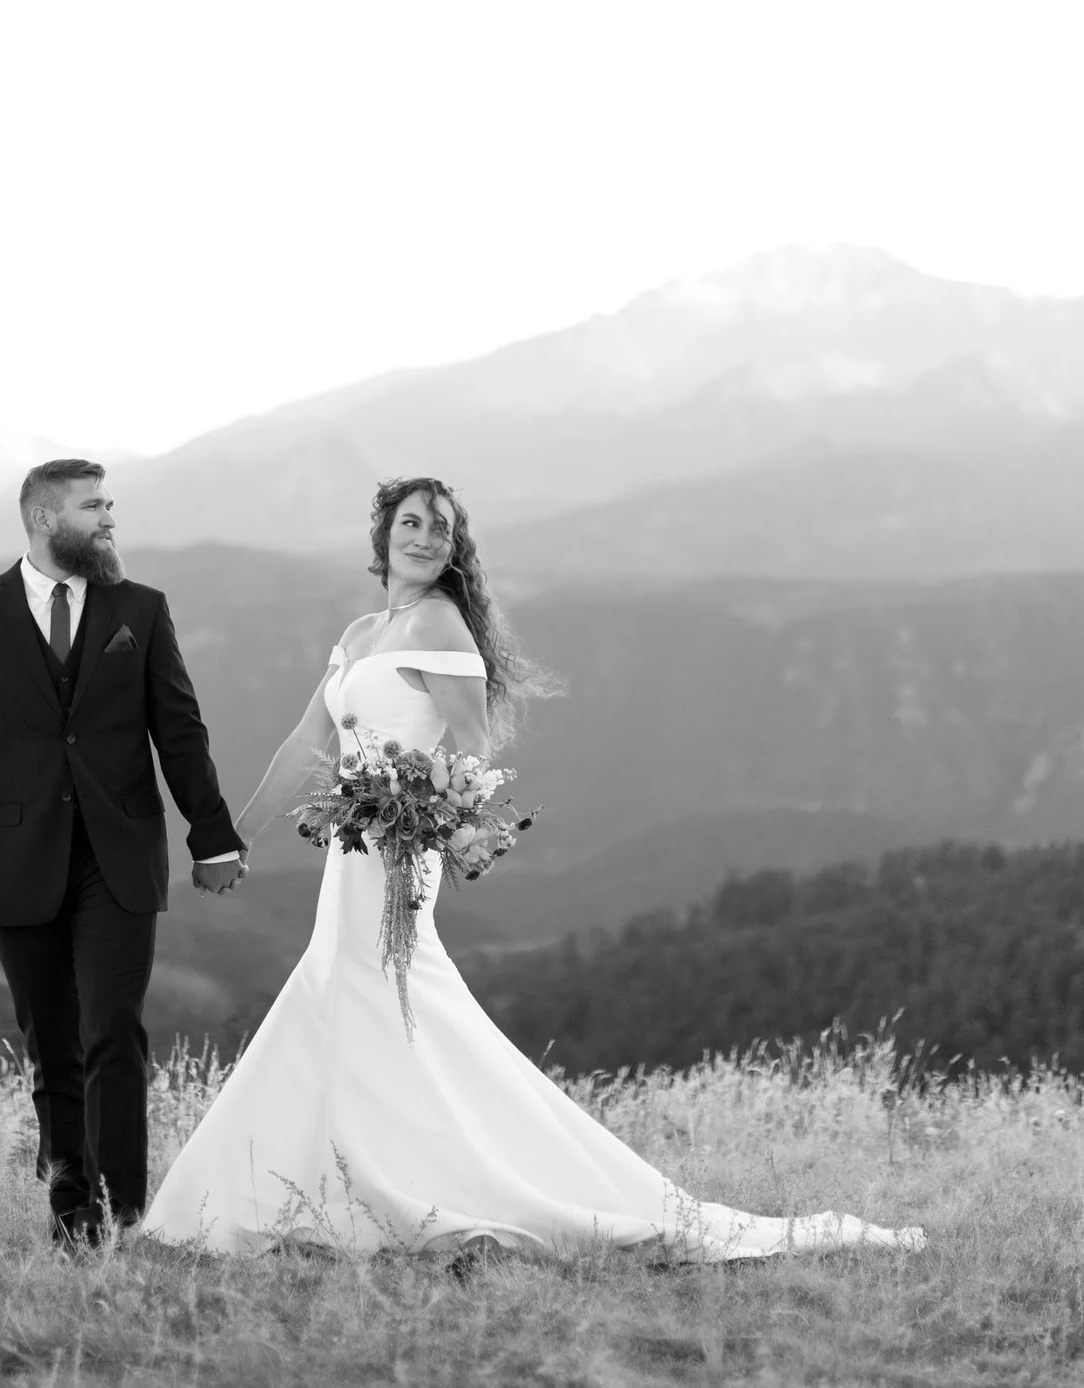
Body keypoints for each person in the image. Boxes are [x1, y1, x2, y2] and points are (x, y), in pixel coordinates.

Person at [140, 476, 926, 1261]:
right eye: (409, 523)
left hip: (402, 847)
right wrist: (230, 837)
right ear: (380, 537)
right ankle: (334, 1185)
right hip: (353, 852)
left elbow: (472, 748)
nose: (423, 538)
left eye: (440, 530)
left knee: (386, 993)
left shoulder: (443, 624)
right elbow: (307, 743)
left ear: (453, 550)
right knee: (350, 994)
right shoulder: (359, 630)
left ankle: (420, 1184)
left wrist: (409, 810)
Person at [0, 459, 246, 1245]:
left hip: (119, 853)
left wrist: (213, 834)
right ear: (42, 519)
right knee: (50, 1035)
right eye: (94, 505)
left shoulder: (142, 608)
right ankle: (71, 1193)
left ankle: (124, 1206)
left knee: (113, 1026)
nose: (108, 518)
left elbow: (181, 731)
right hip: (15, 855)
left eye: (109, 504)